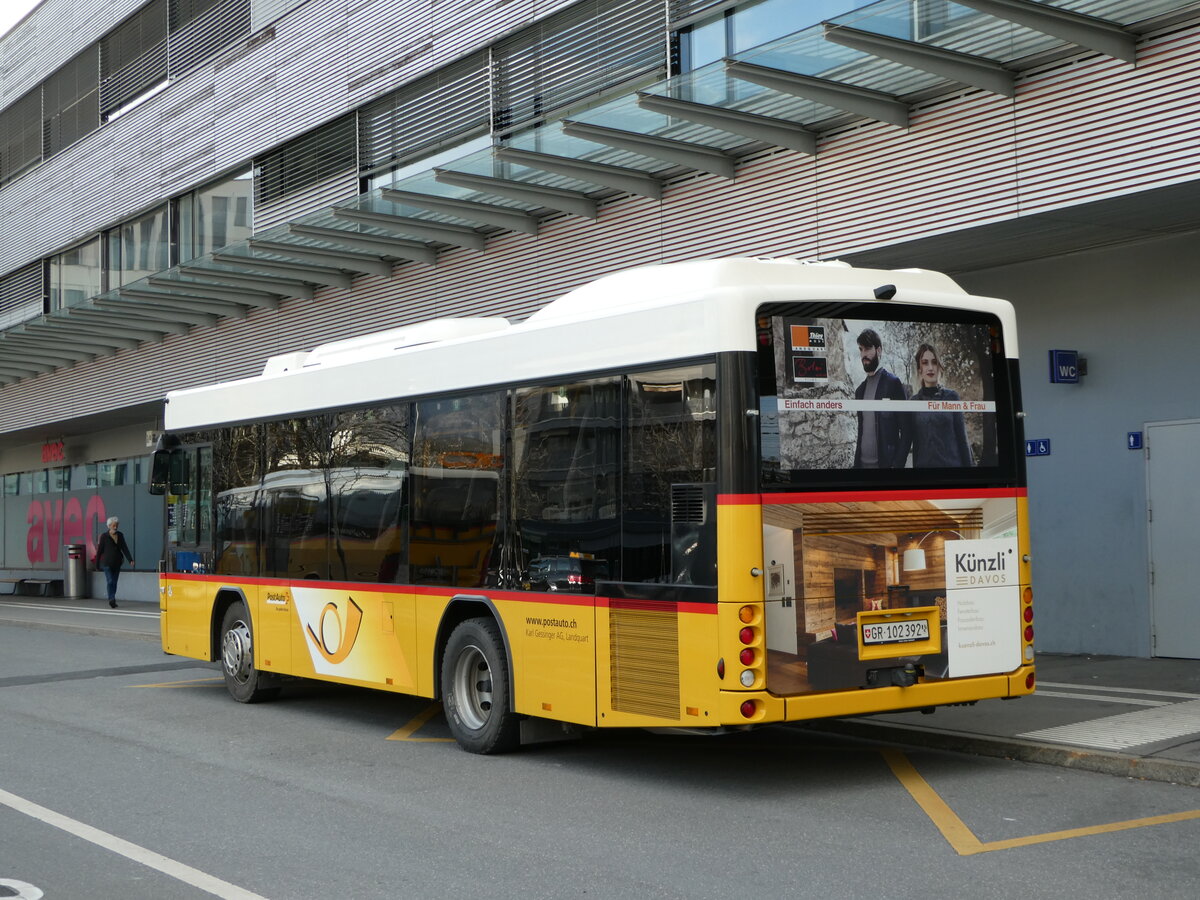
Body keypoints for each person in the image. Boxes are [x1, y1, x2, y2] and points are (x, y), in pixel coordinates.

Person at [909, 342, 973, 467]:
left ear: (939, 367)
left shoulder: (952, 397)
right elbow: (916, 444)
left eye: (934, 362)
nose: (930, 367)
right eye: (925, 363)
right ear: (919, 369)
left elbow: (962, 439)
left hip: (952, 471)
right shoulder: (914, 403)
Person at [853, 328, 910, 467]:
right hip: (861, 467)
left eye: (867, 349)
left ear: (879, 350)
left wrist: (897, 465)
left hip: (885, 467)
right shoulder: (859, 391)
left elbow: (907, 430)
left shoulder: (893, 383)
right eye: (861, 349)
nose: (863, 354)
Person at [95, 516, 134, 608]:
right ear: (109, 526)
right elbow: (99, 551)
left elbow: (124, 548)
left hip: (117, 563)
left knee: (115, 582)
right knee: (110, 581)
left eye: (116, 525)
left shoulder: (120, 535)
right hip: (107, 563)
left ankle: (112, 598)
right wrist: (97, 564)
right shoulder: (104, 536)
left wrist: (130, 559)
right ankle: (111, 599)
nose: (115, 527)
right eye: (113, 525)